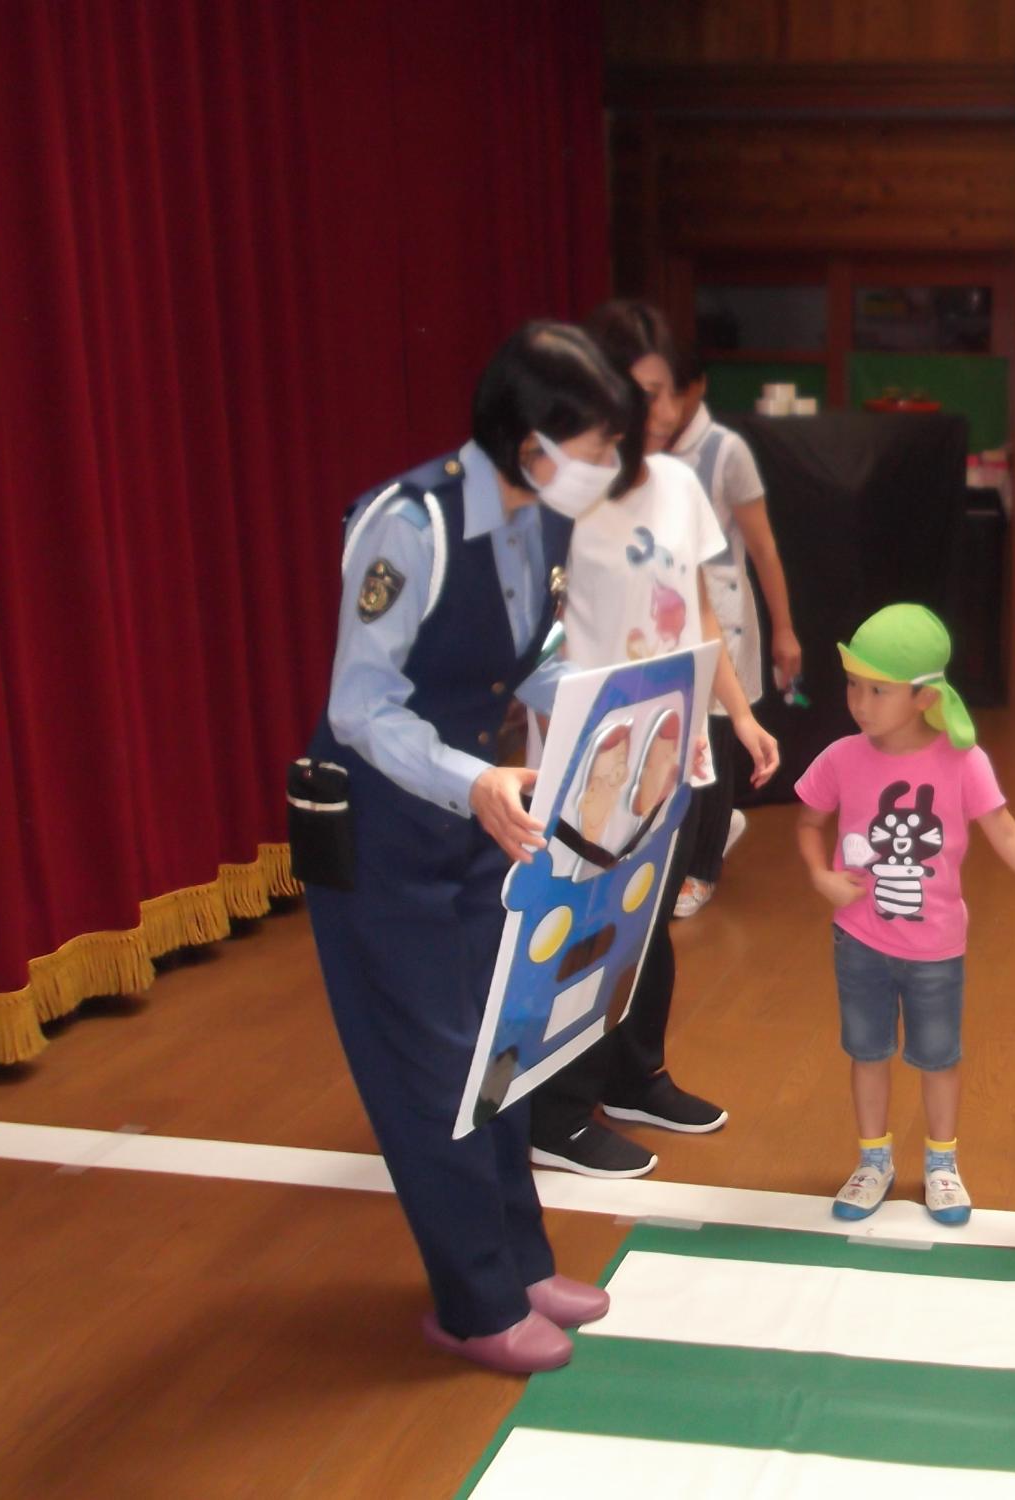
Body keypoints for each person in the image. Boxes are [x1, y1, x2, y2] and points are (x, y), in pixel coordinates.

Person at [302, 321, 633, 1374]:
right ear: (529, 441)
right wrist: (471, 778)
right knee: (430, 1068)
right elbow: (360, 708)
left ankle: (519, 1262)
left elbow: (524, 660)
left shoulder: (535, 522)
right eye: (591, 445)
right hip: (387, 827)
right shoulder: (410, 524)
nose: (606, 467)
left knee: (499, 1046)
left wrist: (598, 718)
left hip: (480, 815)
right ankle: (472, 1301)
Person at [525, 299, 781, 1181]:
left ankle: (636, 1075)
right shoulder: (561, 494)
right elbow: (537, 629)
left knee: (649, 923)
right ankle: (554, 1113)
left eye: (661, 393)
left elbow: (702, 604)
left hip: (675, 746)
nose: (652, 412)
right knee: (586, 932)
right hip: (590, 756)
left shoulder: (676, 484)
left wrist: (738, 710)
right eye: (635, 392)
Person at [794, 604, 1015, 1226]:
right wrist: (820, 876)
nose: (859, 702)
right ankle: (874, 1160)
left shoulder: (961, 760)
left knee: (938, 1057)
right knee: (867, 1051)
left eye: (878, 689)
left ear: (925, 697)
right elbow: (809, 821)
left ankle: (942, 1164)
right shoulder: (843, 757)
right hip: (859, 941)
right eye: (852, 685)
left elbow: (1007, 835)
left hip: (936, 948)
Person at [669, 347, 804, 919]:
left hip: (722, 603)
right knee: (680, 733)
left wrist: (785, 630)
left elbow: (765, 548)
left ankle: (703, 868)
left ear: (696, 387)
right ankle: (712, 830)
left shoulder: (726, 452)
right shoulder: (643, 455)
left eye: (670, 391)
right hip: (669, 605)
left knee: (720, 734)